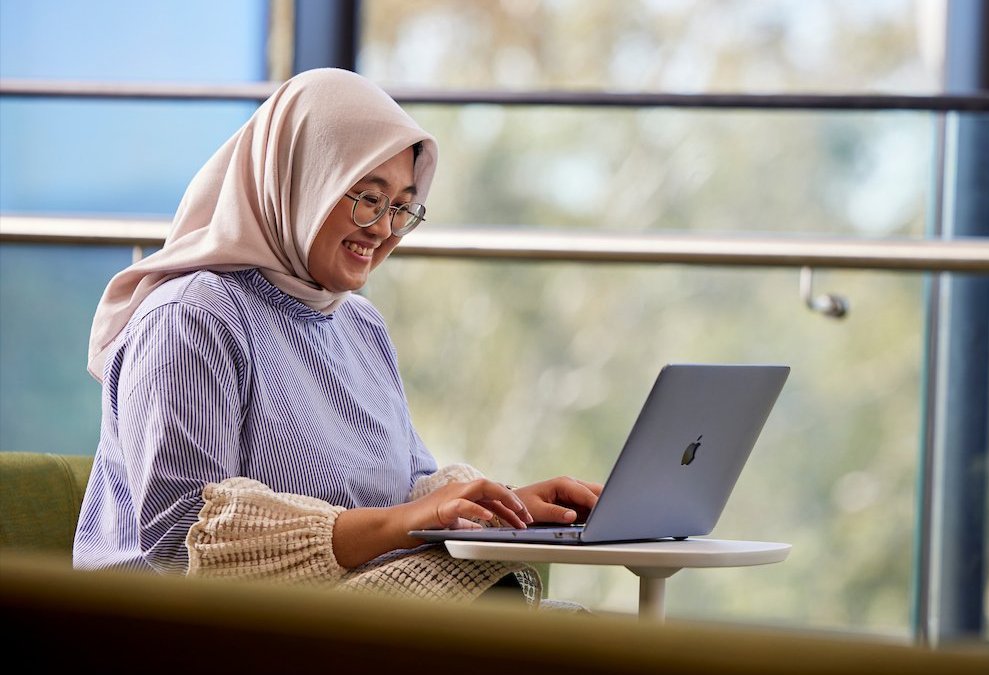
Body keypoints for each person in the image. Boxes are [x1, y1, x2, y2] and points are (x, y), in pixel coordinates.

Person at [72, 68, 602, 607]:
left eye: (400, 207)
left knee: (565, 624)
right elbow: (180, 537)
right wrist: (402, 523)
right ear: (300, 180)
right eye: (368, 198)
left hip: (328, 615)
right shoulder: (191, 317)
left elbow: (408, 494)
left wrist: (506, 506)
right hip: (185, 631)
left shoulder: (360, 326)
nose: (382, 229)